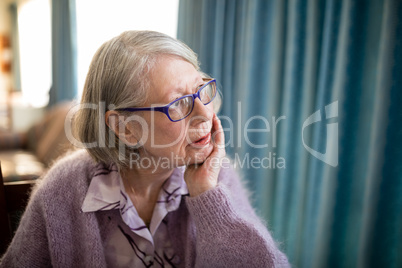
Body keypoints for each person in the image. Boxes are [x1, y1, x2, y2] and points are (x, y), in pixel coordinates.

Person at [0, 31, 290, 267]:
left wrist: (208, 199)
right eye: (178, 102)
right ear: (125, 128)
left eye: (201, 90)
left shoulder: (216, 176)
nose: (205, 113)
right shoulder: (62, 191)